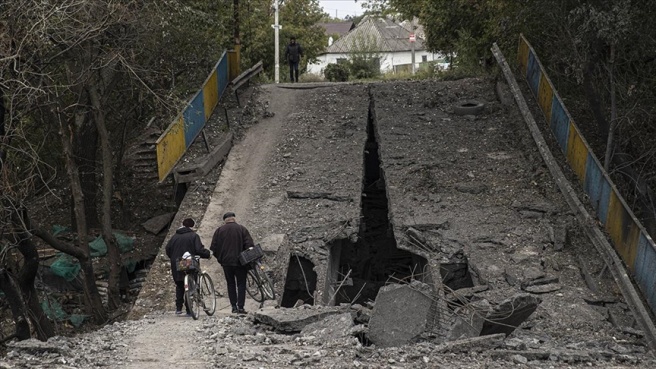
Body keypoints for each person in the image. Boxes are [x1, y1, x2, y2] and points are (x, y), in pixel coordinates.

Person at [210, 212, 254, 314]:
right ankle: (241, 307)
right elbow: (249, 245)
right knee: (241, 284)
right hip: (240, 262)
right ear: (234, 218)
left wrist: (221, 259)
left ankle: (233, 307)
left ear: (225, 220)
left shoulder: (219, 231)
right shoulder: (242, 229)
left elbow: (213, 248)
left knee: (230, 284)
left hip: (226, 263)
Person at [165, 218, 211, 316]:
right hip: (189, 262)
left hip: (177, 263)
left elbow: (168, 249)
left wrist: (173, 258)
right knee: (191, 285)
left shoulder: (174, 237)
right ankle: (189, 310)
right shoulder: (194, 236)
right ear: (192, 226)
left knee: (180, 285)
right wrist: (207, 254)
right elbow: (199, 250)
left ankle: (178, 309)